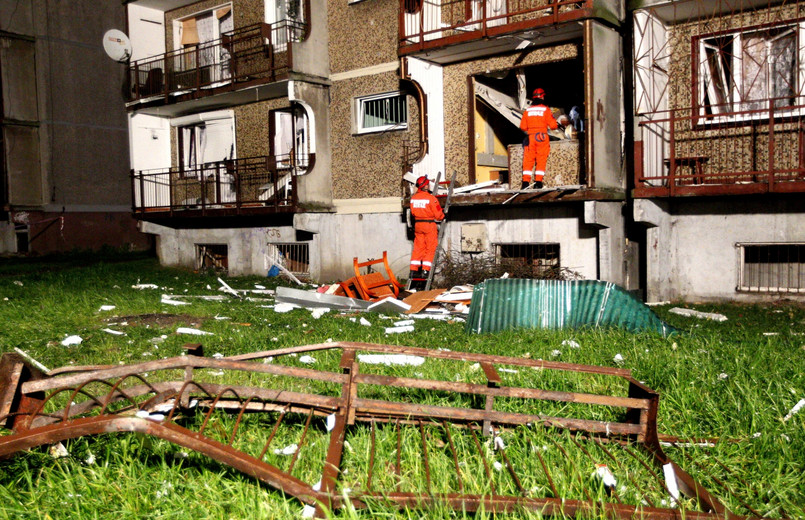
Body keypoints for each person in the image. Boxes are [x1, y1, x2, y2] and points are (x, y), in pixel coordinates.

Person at [519, 87, 559, 190]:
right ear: (542, 97)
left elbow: (523, 127)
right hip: (542, 137)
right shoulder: (545, 109)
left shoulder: (527, 111)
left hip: (530, 137)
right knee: (541, 159)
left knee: (528, 160)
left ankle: (525, 183)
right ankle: (538, 182)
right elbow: (554, 126)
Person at [409, 175, 445, 285]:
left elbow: (412, 212)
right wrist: (443, 215)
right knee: (430, 247)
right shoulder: (431, 199)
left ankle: (413, 270)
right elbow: (438, 215)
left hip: (418, 225)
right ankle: (425, 270)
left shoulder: (413, 198)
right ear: (425, 186)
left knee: (418, 247)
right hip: (429, 225)